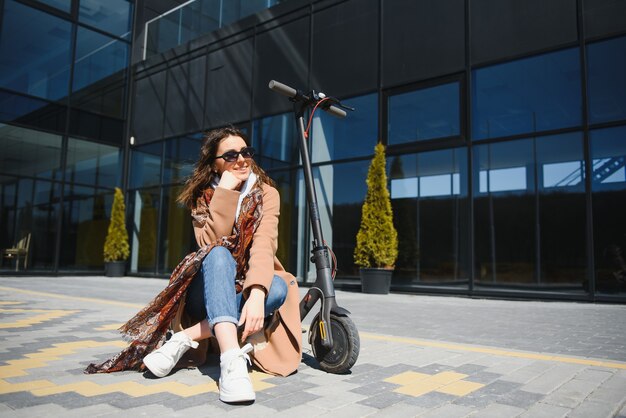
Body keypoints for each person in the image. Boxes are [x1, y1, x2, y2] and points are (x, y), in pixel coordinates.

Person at [85, 127, 302, 404]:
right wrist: (225, 192)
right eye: (231, 155)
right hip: (205, 290)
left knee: (278, 289)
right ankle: (231, 362)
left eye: (246, 152)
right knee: (219, 254)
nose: (242, 160)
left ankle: (182, 338)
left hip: (243, 287)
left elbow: (264, 243)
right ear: (215, 164)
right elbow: (210, 243)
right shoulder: (202, 197)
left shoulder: (267, 193)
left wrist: (257, 292)